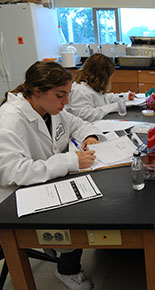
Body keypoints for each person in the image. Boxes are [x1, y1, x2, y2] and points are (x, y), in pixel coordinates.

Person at [0, 61, 105, 290]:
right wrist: (69, 161)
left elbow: (77, 123)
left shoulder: (51, 109)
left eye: (68, 94)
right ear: (37, 91)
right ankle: (67, 270)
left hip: (42, 181)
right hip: (13, 197)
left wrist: (90, 136)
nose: (66, 102)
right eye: (60, 95)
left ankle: (61, 250)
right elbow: (13, 170)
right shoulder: (9, 120)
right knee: (77, 211)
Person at [66, 53, 135, 122]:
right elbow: (85, 116)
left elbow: (103, 98)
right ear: (102, 76)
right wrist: (114, 106)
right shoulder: (80, 91)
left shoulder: (91, 85)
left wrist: (125, 97)